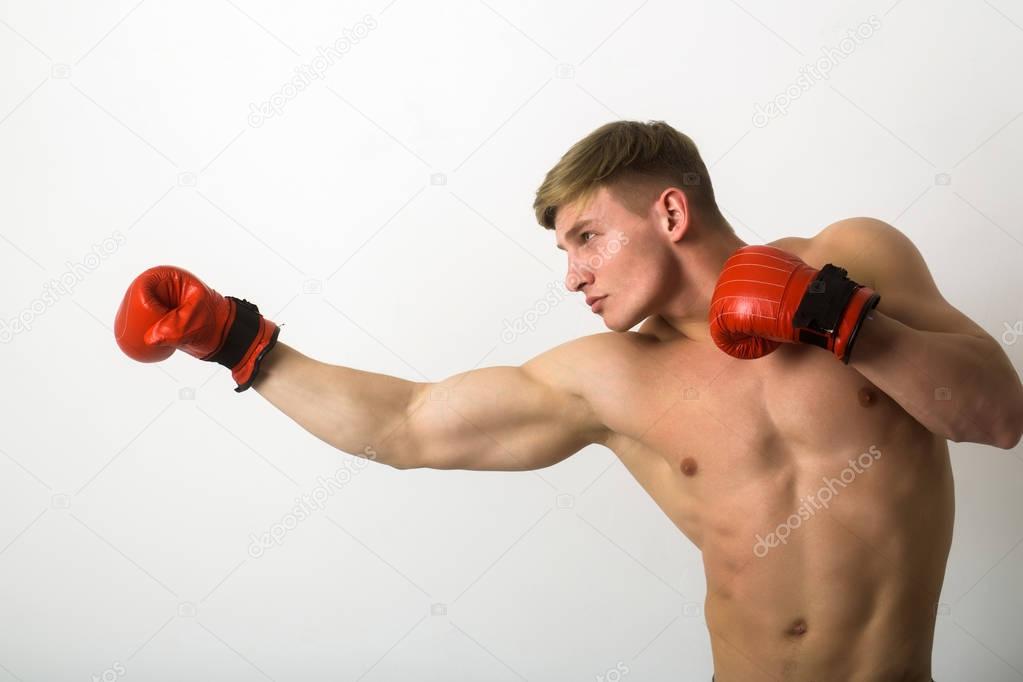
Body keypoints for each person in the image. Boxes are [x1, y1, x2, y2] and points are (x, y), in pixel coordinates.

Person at [114, 120, 1023, 681]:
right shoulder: (608, 376)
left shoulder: (852, 255)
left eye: (586, 237)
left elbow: (998, 414)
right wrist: (232, 338)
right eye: (561, 251)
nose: (572, 276)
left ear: (670, 214)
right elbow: (405, 425)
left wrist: (839, 319)